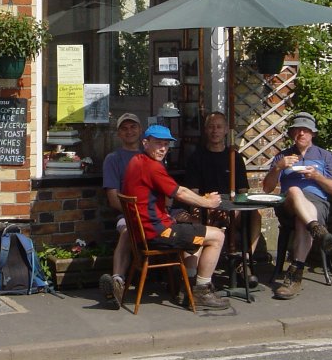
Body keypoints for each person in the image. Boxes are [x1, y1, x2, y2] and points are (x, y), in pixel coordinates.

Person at [122, 124, 230, 310]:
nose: (163, 148)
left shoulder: (135, 161)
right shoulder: (152, 167)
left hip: (145, 232)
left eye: (166, 144)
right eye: (158, 143)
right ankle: (202, 291)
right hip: (157, 233)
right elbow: (180, 193)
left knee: (194, 230)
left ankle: (186, 288)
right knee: (217, 236)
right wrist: (209, 203)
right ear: (145, 143)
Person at [262, 112, 332, 301]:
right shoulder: (283, 156)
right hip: (288, 204)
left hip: (316, 204)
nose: (301, 134)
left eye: (305, 130)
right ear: (292, 134)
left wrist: (317, 177)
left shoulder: (325, 156)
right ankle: (317, 230)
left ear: (313, 133)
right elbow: (267, 188)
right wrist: (278, 167)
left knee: (301, 222)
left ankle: (295, 273)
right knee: (295, 190)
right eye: (297, 130)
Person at [182, 111, 260, 287]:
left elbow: (243, 192)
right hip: (206, 205)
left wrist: (232, 207)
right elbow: (193, 193)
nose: (214, 131)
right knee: (196, 221)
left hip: (231, 206)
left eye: (218, 127)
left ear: (226, 130)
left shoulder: (235, 158)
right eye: (211, 127)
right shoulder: (197, 158)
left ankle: (244, 262)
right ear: (205, 130)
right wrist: (207, 204)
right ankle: (193, 278)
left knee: (255, 215)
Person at [98, 113, 143, 309]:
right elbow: (113, 198)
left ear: (140, 130)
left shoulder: (151, 156)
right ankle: (117, 283)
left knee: (187, 225)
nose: (129, 131)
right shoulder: (113, 159)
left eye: (133, 127)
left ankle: (190, 281)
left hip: (155, 215)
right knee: (127, 231)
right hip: (128, 214)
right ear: (118, 133)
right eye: (124, 128)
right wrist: (136, 213)